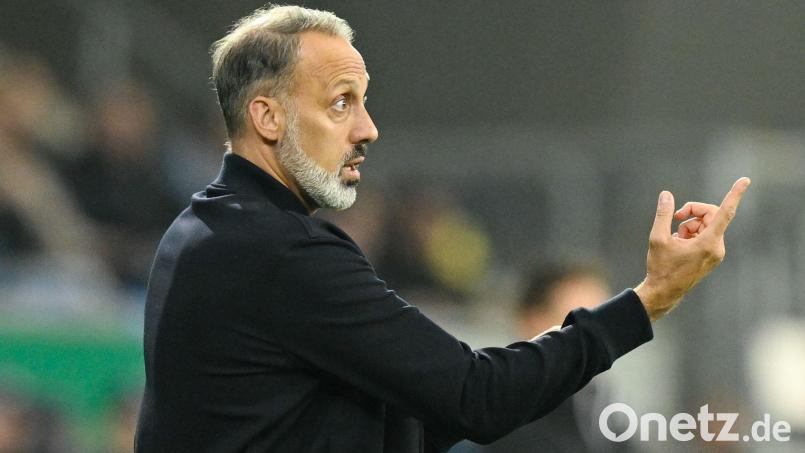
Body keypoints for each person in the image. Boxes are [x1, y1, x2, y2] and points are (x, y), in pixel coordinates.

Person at [135, 5, 751, 453]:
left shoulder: (199, 231)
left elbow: (410, 417)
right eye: (342, 101)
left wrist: (462, 396)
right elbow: (474, 396)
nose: (367, 128)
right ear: (267, 117)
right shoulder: (281, 252)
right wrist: (651, 299)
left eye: (364, 101)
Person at [459, 262, 632, 453]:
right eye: (582, 330)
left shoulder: (596, 402)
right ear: (532, 320)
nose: (599, 342)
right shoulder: (503, 409)